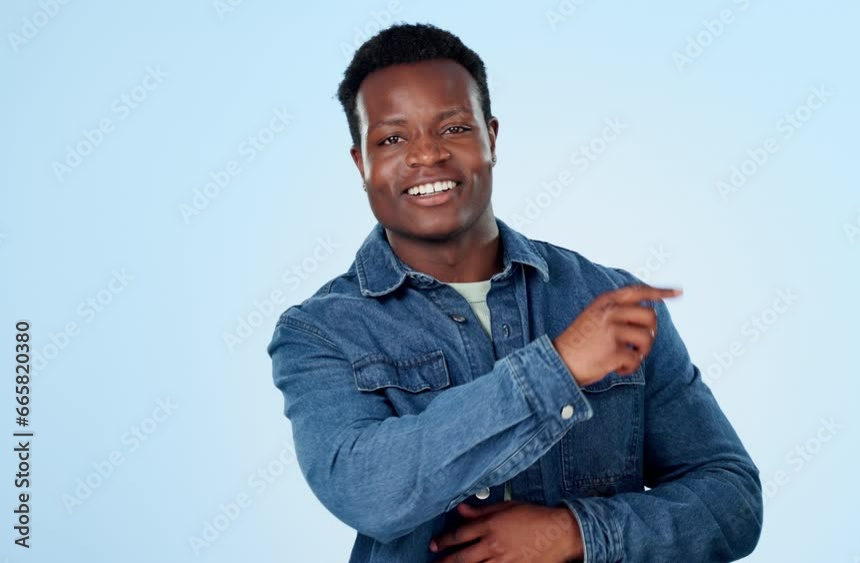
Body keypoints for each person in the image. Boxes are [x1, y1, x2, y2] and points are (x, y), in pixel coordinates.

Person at [267, 22, 763, 562]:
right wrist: (560, 369)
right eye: (392, 138)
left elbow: (731, 500)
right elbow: (366, 490)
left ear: (492, 138)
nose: (426, 156)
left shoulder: (611, 299)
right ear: (361, 164)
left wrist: (576, 532)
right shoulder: (319, 332)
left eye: (453, 129)